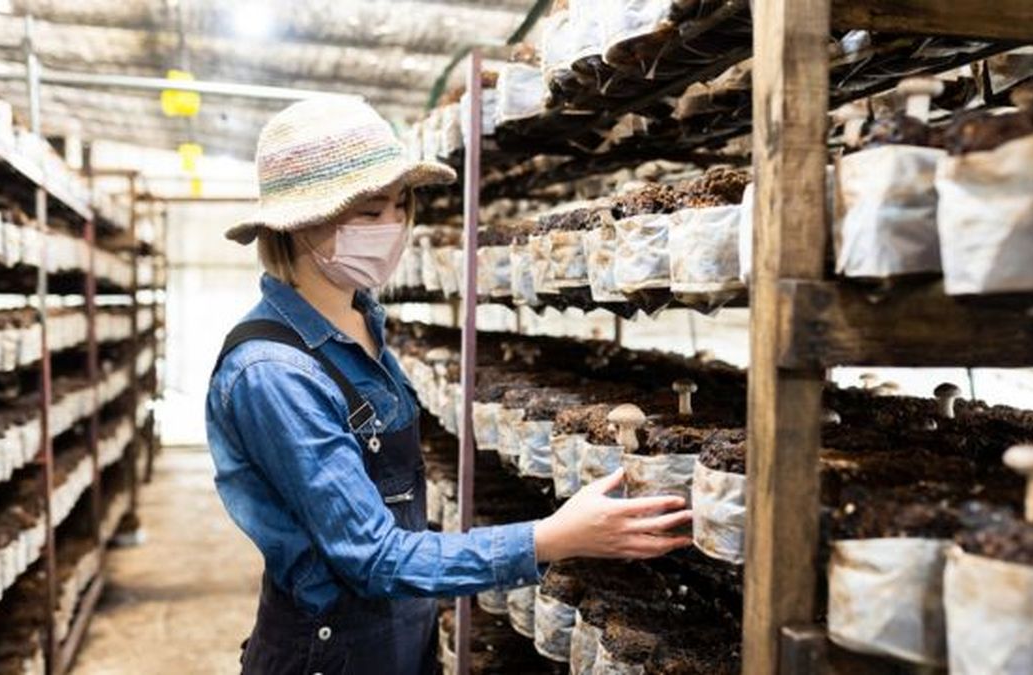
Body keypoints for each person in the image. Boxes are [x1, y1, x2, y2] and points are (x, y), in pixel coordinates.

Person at [205, 98, 692, 675]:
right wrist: (550, 538)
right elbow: (376, 558)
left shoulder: (360, 320)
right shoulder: (273, 373)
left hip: (403, 637)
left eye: (400, 206)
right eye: (369, 212)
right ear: (302, 223)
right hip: (329, 655)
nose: (393, 227)